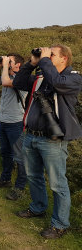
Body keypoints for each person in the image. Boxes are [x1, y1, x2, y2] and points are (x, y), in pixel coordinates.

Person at [13, 45, 82, 239]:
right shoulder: (43, 76)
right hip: (31, 136)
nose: (46, 57)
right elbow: (18, 82)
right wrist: (31, 63)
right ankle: (37, 207)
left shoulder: (74, 78)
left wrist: (43, 61)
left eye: (51, 55)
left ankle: (60, 224)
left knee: (57, 183)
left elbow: (58, 84)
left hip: (52, 141)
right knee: (34, 176)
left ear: (64, 59)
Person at [0, 53, 27, 201]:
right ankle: (5, 179)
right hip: (3, 122)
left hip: (16, 123)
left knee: (19, 157)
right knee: (6, 153)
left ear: (18, 65)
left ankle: (19, 188)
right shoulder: (5, 75)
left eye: (10, 61)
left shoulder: (23, 79)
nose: (7, 63)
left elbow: (6, 82)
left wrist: (5, 66)